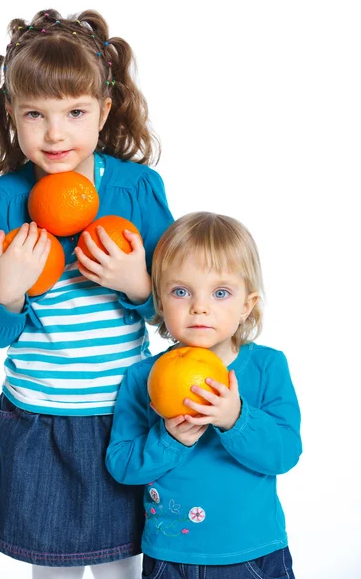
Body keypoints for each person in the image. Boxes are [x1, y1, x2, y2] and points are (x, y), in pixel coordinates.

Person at [0, 8, 174, 578]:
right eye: (35, 114)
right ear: (12, 116)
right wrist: (6, 293)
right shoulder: (2, 202)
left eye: (75, 112)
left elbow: (180, 310)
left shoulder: (135, 190)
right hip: (38, 420)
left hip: (122, 416)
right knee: (51, 566)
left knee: (122, 566)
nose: (56, 133)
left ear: (104, 113)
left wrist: (139, 286)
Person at [106, 212, 302, 578]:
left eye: (221, 292)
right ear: (160, 302)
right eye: (181, 291)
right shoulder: (142, 377)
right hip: (170, 556)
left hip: (253, 554)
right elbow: (121, 465)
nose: (199, 306)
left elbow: (285, 454)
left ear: (247, 304)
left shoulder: (267, 368)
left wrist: (236, 419)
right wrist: (169, 439)